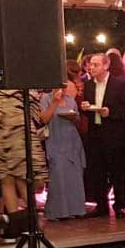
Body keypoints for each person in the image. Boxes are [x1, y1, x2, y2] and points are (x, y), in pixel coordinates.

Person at [81, 51, 125, 218]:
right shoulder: (88, 85)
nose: (91, 68)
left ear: (106, 65)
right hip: (95, 133)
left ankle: (120, 205)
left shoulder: (118, 84)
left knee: (117, 170)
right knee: (97, 170)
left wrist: (110, 112)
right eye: (91, 64)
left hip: (114, 133)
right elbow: (89, 109)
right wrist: (85, 108)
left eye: (96, 65)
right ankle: (101, 205)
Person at [0, 87, 46, 217]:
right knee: (23, 180)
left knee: (7, 181)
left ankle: (16, 221)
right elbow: (36, 116)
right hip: (24, 139)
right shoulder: (29, 90)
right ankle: (33, 220)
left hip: (5, 138)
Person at [38, 79, 88, 221]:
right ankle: (58, 211)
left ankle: (76, 209)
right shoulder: (46, 99)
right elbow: (44, 119)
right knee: (58, 175)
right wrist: (54, 102)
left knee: (74, 175)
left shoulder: (70, 100)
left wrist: (74, 117)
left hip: (72, 140)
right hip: (56, 139)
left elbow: (77, 119)